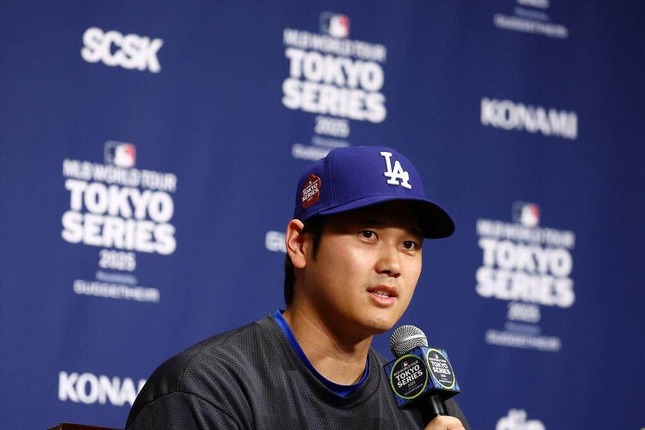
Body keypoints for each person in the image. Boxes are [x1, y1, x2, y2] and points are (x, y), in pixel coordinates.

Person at [125, 146, 470, 429]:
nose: (392, 264)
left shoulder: (427, 410)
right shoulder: (207, 391)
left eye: (409, 245)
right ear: (299, 244)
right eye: (368, 234)